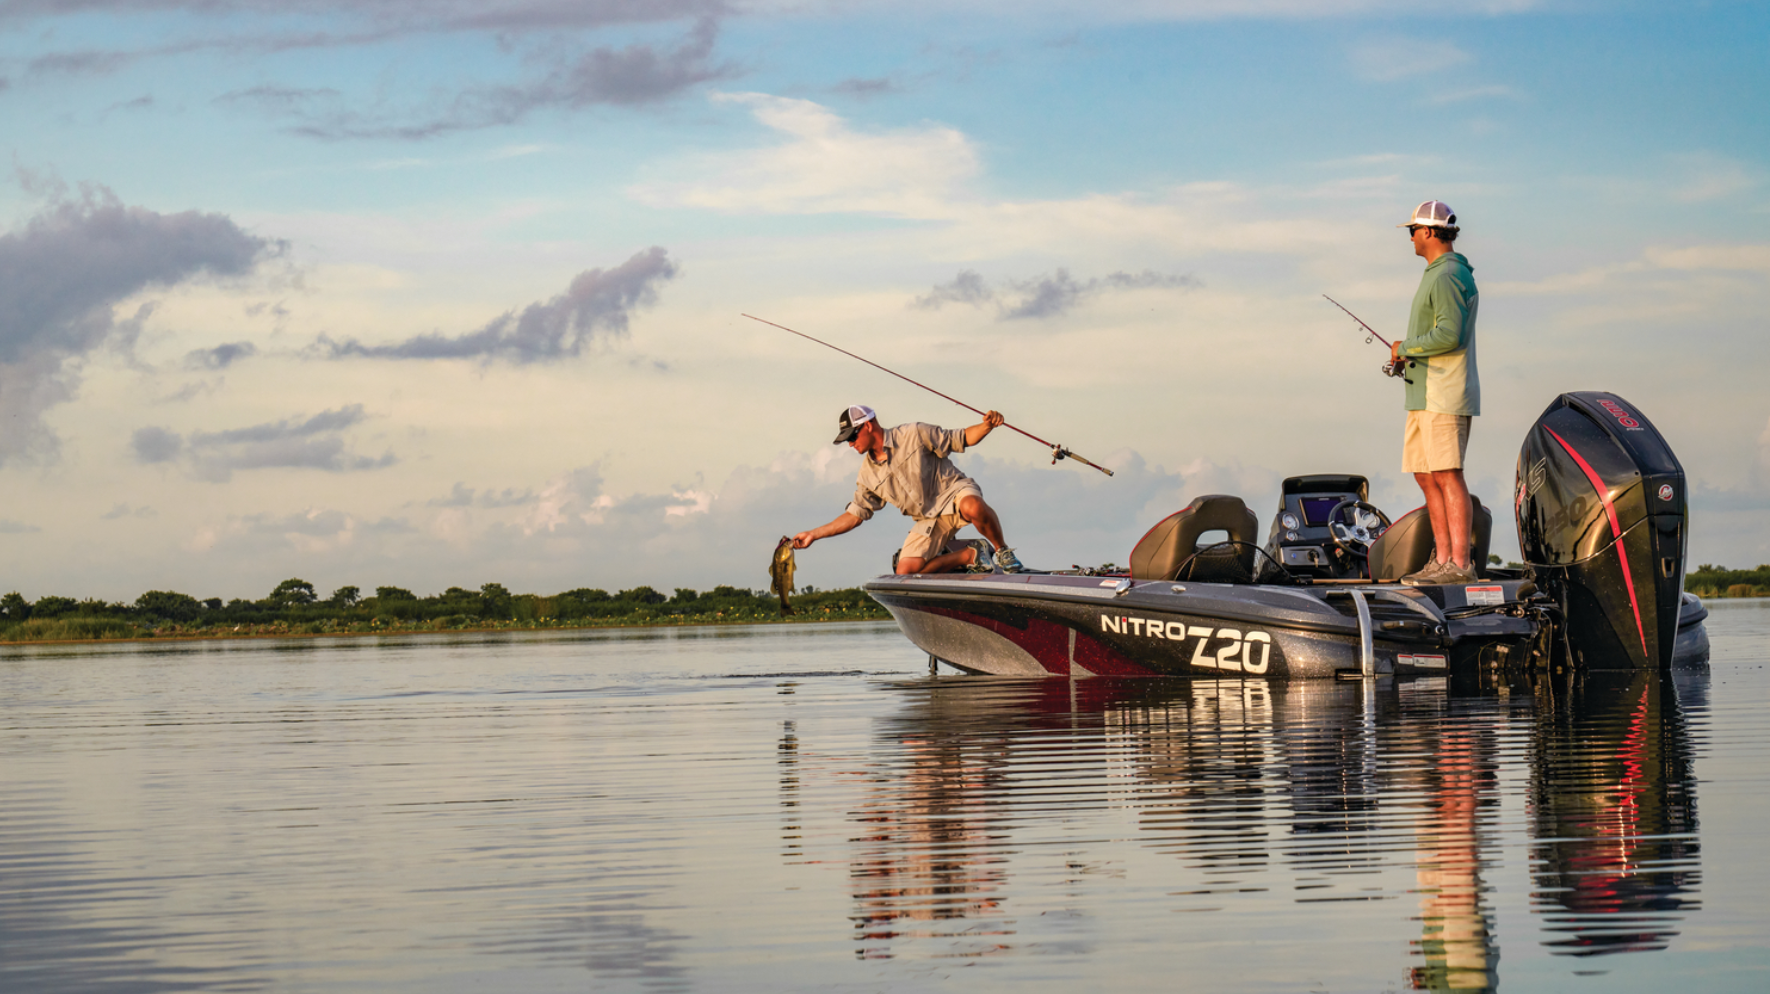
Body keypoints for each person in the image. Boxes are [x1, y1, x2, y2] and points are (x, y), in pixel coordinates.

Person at [792, 404, 1025, 574]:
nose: (850, 444)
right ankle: (970, 555)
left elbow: (962, 438)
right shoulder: (866, 475)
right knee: (905, 573)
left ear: (868, 425)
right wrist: (813, 534)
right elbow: (854, 516)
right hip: (928, 519)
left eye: (852, 436)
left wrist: (987, 425)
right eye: (846, 440)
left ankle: (1002, 551)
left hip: (954, 494)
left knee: (973, 506)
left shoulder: (914, 433)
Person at [1390, 200, 1480, 585]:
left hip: (1443, 393)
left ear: (1427, 231)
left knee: (1447, 474)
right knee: (1426, 476)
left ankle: (1460, 565)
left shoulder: (1446, 275)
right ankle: (1442, 561)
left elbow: (1449, 334)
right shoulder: (1438, 274)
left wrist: (1405, 347)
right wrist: (1405, 357)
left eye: (1413, 230)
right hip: (1423, 393)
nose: (1410, 237)